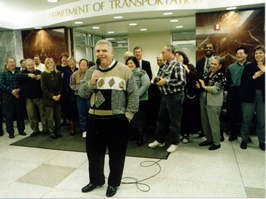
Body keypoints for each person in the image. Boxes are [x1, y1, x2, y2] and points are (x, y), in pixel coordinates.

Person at [79, 40, 138, 197]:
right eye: (98, 51)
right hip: (95, 120)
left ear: (112, 53)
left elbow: (133, 95)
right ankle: (96, 180)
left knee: (116, 155)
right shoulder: (91, 70)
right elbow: (82, 93)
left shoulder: (124, 70)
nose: (101, 54)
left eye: (104, 50)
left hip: (117, 120)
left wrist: (128, 116)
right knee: (93, 154)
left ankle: (113, 183)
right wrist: (91, 82)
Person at [148, 45, 186, 153]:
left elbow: (182, 82)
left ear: (170, 52)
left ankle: (174, 142)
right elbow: (158, 76)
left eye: (164, 52)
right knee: (161, 119)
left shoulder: (177, 65)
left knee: (174, 121)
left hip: (175, 96)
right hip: (165, 96)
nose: (162, 54)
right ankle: (160, 140)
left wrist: (166, 81)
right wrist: (157, 80)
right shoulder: (165, 65)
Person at [196, 56, 226, 150]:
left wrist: (204, 86)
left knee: (214, 123)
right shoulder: (207, 73)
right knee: (205, 122)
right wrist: (200, 85)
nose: (212, 66)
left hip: (214, 102)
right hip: (204, 100)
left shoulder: (221, 76)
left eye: (215, 64)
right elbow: (201, 84)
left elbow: (215, 89)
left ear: (220, 66)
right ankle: (209, 139)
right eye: (211, 63)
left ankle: (216, 142)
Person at [239, 45, 265, 151]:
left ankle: (262, 141)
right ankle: (244, 139)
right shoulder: (249, 67)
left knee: (262, 120)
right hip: (249, 95)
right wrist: (254, 77)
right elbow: (243, 83)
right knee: (246, 119)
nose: (258, 55)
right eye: (256, 53)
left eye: (261, 53)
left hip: (263, 97)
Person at [176, 51, 201, 143]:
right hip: (177, 94)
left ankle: (186, 134)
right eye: (176, 56)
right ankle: (179, 133)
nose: (177, 57)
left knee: (186, 115)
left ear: (184, 57)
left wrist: (186, 69)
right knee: (178, 115)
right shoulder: (174, 67)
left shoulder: (189, 66)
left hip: (188, 95)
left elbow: (195, 76)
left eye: (179, 56)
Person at [226, 47, 250, 141]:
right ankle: (233, 134)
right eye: (237, 53)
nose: (239, 55)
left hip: (247, 92)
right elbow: (228, 81)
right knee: (233, 114)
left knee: (245, 115)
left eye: (241, 53)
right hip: (234, 92)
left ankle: (245, 135)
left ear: (246, 55)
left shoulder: (251, 66)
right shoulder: (231, 67)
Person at [16, 59, 46, 137]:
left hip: (39, 97)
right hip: (28, 99)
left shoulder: (38, 72)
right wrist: (28, 75)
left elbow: (46, 77)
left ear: (34, 65)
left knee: (43, 114)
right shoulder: (22, 73)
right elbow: (18, 77)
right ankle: (35, 130)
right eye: (29, 65)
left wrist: (41, 77)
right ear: (26, 66)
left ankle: (45, 129)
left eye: (32, 64)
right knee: (31, 115)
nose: (31, 66)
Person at [126, 56, 150, 146]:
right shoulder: (126, 74)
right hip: (129, 101)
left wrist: (136, 96)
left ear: (136, 63)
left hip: (141, 100)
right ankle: (134, 135)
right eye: (128, 63)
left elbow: (146, 84)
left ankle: (141, 138)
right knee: (132, 119)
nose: (129, 65)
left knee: (139, 120)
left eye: (131, 63)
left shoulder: (141, 72)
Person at [0, 57, 26, 138]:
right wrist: (11, 91)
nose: (12, 64)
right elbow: (1, 85)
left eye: (13, 62)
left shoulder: (19, 72)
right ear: (7, 64)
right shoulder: (3, 73)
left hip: (18, 96)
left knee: (20, 114)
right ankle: (11, 132)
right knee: (9, 116)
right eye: (10, 62)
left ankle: (21, 130)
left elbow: (23, 83)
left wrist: (18, 90)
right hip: (8, 97)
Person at [41, 58, 62, 139]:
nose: (50, 64)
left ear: (54, 63)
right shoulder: (44, 74)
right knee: (50, 117)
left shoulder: (58, 73)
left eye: (52, 62)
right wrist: (52, 96)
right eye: (48, 63)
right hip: (48, 99)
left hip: (58, 98)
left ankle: (58, 131)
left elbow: (61, 85)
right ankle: (52, 132)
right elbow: (43, 88)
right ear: (46, 64)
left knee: (57, 116)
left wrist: (59, 94)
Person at [69, 59, 90, 138]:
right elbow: (71, 85)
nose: (83, 66)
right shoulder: (74, 74)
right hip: (79, 96)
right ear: (79, 65)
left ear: (87, 66)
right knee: (82, 113)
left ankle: (90, 129)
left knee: (90, 113)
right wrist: (79, 88)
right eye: (82, 64)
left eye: (85, 64)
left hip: (88, 96)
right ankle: (84, 130)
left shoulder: (90, 74)